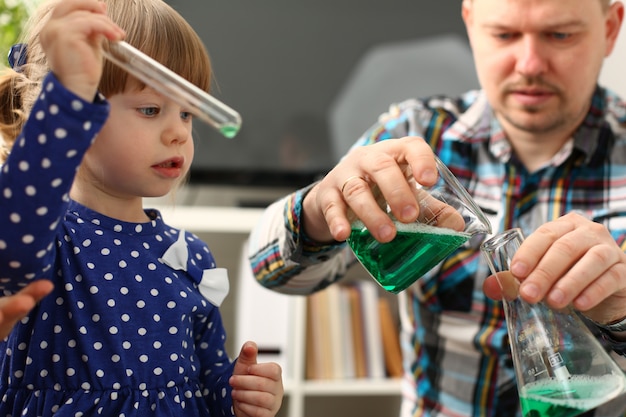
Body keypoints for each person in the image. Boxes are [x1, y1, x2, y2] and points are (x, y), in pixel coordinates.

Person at [247, 0, 626, 415]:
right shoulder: (413, 133)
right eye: (504, 35)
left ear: (610, 28)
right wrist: (320, 210)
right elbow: (268, 271)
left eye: (560, 34)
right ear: (470, 23)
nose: (530, 63)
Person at [0, 0, 283, 416]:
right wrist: (65, 100)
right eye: (150, 109)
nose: (178, 134)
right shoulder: (45, 234)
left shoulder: (192, 258)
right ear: (77, 110)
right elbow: (15, 245)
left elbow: (203, 385)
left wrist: (236, 395)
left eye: (187, 113)